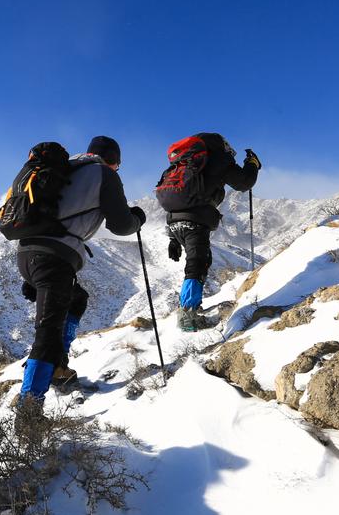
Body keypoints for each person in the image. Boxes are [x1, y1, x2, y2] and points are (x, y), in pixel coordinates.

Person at [16, 135, 146, 415]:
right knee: (47, 334)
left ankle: (58, 367)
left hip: (27, 254)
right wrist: (137, 218)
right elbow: (122, 225)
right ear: (114, 161)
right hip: (54, 257)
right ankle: (28, 414)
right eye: (118, 166)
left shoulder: (65, 169)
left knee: (77, 299)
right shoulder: (103, 174)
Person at [160, 134, 261, 331]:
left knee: (200, 261)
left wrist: (173, 238)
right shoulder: (217, 160)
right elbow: (244, 183)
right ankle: (188, 317)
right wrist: (252, 164)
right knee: (197, 265)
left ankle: (190, 310)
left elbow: (177, 199)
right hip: (195, 221)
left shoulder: (180, 166)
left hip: (174, 223)